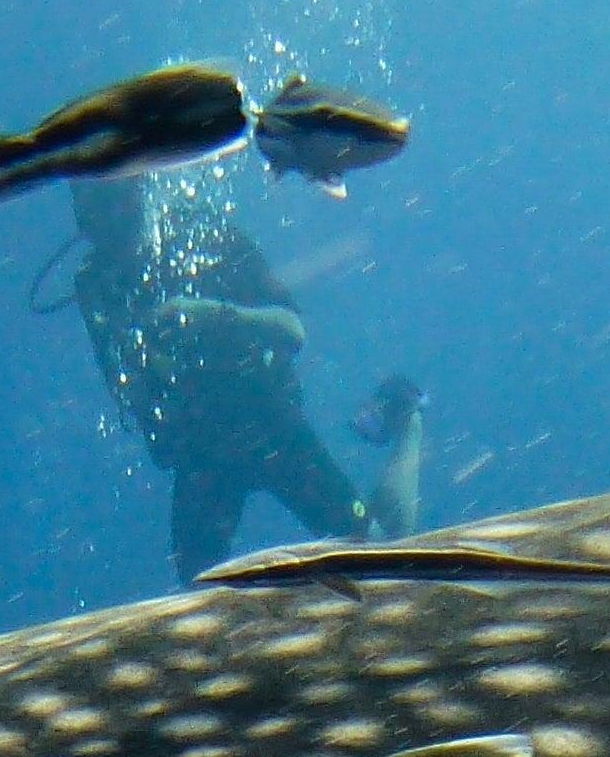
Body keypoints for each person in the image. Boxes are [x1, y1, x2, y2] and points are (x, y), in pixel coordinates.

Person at [55, 175, 423, 581]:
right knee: (198, 582)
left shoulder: (208, 237)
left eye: (112, 205)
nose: (104, 225)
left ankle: (410, 423)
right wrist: (148, 383)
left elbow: (291, 329)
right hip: (200, 451)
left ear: (140, 195)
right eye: (88, 209)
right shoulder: (94, 282)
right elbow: (120, 380)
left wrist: (211, 314)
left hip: (268, 425)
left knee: (377, 552)